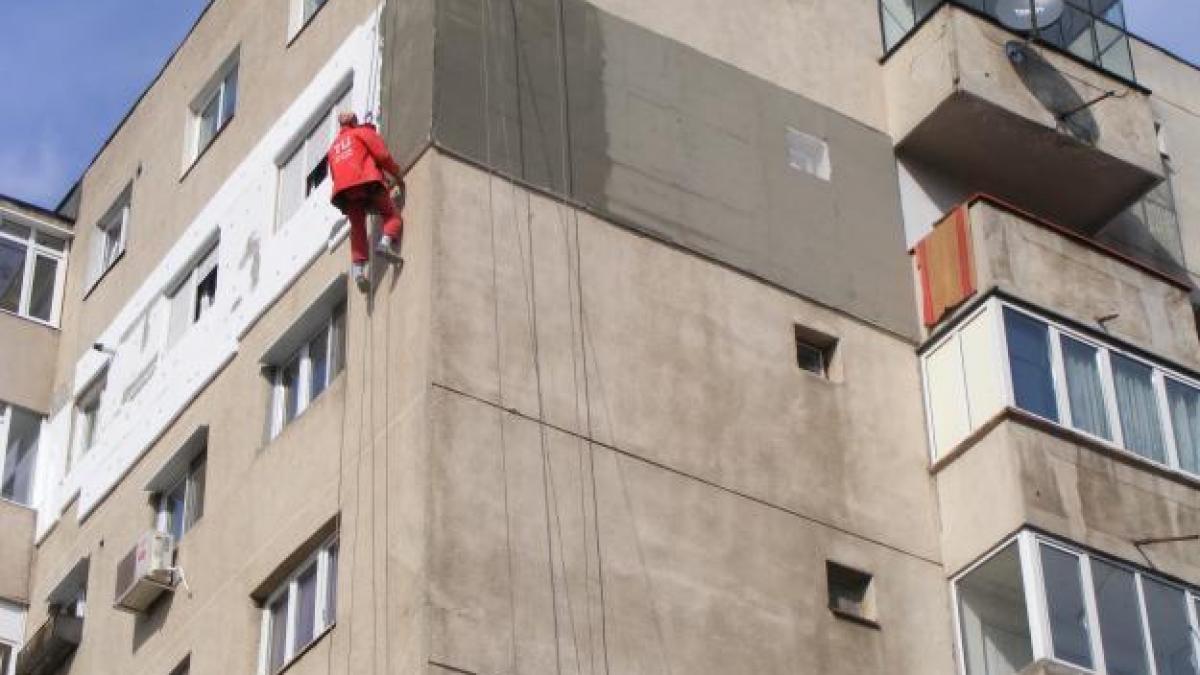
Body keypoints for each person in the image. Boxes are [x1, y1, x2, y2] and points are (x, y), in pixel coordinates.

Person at [327, 111, 405, 291]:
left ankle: (358, 270)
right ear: (355, 121)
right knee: (391, 215)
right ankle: (385, 243)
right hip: (368, 182)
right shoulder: (362, 133)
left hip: (346, 193)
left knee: (357, 229)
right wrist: (397, 174)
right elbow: (383, 156)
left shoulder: (333, 149)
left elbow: (335, 174)